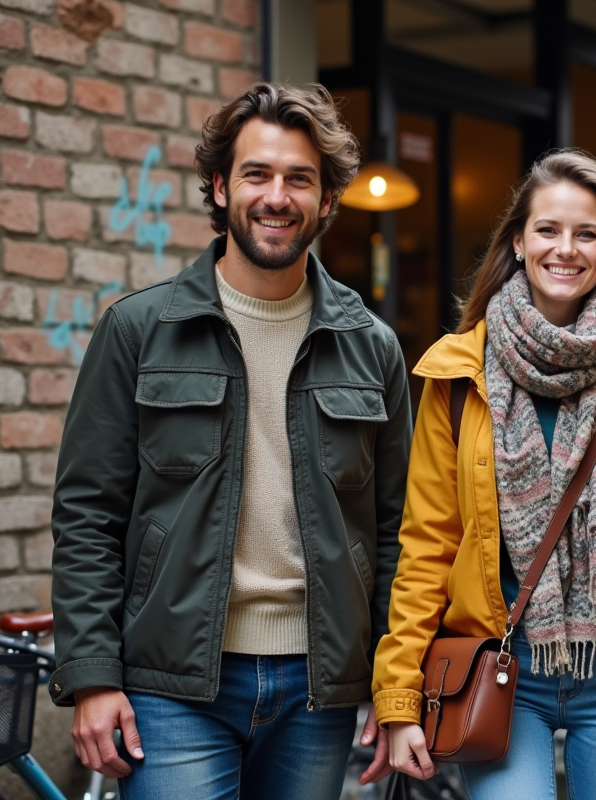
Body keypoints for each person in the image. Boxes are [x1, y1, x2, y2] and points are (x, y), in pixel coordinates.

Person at [50, 82, 412, 800]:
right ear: (220, 187)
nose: (277, 197)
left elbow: (398, 529)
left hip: (318, 689)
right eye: (257, 174)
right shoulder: (138, 331)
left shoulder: (372, 347)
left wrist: (393, 683)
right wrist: (92, 677)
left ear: (327, 199)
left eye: (299, 179)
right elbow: (88, 515)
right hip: (171, 687)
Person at [363, 150, 596, 799]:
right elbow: (427, 546)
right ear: (518, 242)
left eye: (587, 234)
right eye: (548, 230)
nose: (566, 248)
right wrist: (399, 693)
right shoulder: (456, 376)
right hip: (501, 667)